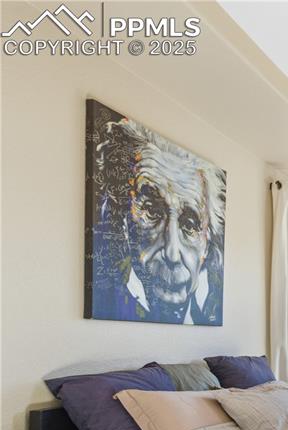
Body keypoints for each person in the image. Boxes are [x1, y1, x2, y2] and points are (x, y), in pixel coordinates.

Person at [91, 113, 225, 325]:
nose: (172, 254)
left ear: (207, 241)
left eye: (190, 225)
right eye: (152, 212)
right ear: (126, 221)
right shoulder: (108, 301)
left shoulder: (209, 311)